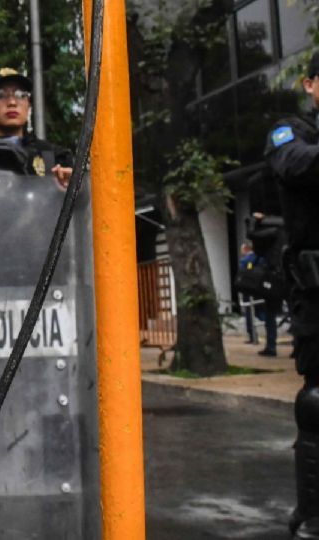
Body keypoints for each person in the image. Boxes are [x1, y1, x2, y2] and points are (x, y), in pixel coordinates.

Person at [264, 51, 319, 538]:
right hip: (317, 292)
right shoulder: (292, 132)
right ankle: (314, 513)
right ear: (310, 84)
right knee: (318, 401)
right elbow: (296, 166)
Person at [0, 68, 74, 191]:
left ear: (29, 105)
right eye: (0, 95)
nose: (12, 102)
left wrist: (75, 186)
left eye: (21, 95)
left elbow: (84, 201)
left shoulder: (54, 156)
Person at [237, 241, 261, 345]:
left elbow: (242, 274)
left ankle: (252, 334)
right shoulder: (259, 258)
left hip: (248, 288)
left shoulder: (245, 260)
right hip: (259, 289)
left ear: (246, 249)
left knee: (249, 311)